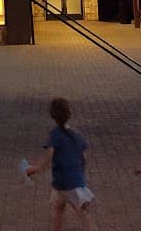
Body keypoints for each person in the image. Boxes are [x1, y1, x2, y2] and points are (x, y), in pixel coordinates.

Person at [26, 96, 94, 228]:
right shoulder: (78, 135)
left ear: (53, 115)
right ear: (69, 113)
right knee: (83, 214)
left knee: (58, 210)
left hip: (60, 183)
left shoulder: (55, 135)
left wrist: (35, 168)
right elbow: (84, 157)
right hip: (75, 182)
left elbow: (48, 157)